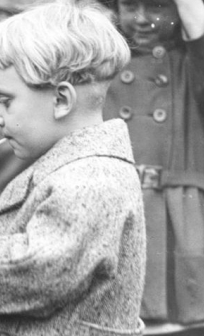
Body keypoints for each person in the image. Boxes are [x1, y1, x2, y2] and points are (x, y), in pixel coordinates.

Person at [0, 1, 147, 335]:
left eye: (5, 100)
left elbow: (46, 268)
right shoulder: (68, 165)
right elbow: (35, 237)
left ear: (61, 100)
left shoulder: (89, 182)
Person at [101, 0, 204, 335]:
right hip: (121, 208)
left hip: (182, 220)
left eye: (158, 6)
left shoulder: (192, 63)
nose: (143, 19)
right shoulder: (104, 61)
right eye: (131, 6)